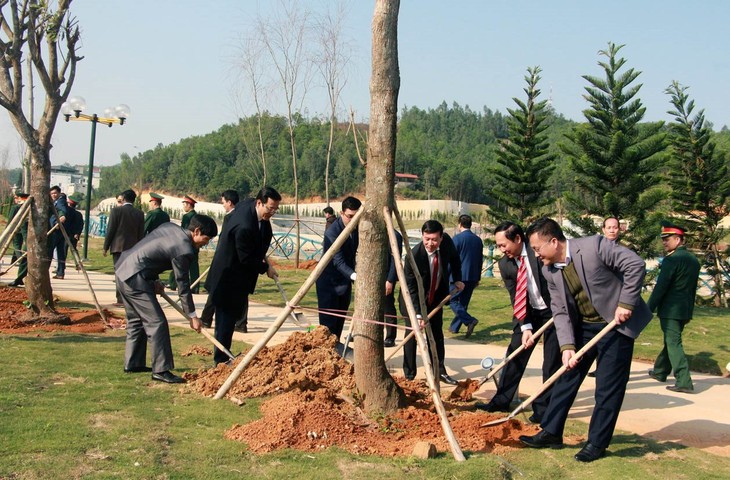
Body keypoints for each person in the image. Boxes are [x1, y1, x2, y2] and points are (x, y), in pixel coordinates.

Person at [518, 217, 652, 463]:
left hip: (616, 326)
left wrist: (626, 303)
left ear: (554, 242)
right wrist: (567, 347)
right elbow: (559, 310)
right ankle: (551, 431)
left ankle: (597, 443)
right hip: (585, 327)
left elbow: (635, 264)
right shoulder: (550, 271)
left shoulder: (595, 247)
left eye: (538, 249)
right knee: (567, 375)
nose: (536, 255)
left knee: (607, 387)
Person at [476, 222, 561, 424]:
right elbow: (516, 297)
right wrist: (525, 326)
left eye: (504, 245)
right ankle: (501, 400)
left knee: (551, 361)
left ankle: (542, 409)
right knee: (514, 354)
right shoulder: (505, 264)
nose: (501, 250)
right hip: (528, 312)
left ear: (517, 239)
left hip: (554, 311)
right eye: (498, 246)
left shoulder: (539, 253)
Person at [116, 215, 218, 383]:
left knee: (136, 320)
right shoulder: (184, 249)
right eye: (205, 239)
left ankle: (133, 363)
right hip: (135, 278)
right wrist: (192, 316)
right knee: (157, 323)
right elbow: (182, 284)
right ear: (196, 231)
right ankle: (161, 370)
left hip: (124, 269)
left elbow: (152, 251)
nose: (205, 243)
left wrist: (154, 279)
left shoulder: (169, 227)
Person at [205, 187, 281, 365]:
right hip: (228, 278)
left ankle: (225, 355)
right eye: (270, 208)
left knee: (230, 319)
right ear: (259, 203)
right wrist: (266, 268)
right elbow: (246, 258)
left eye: (275, 209)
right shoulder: (245, 226)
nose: (272, 212)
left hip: (237, 276)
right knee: (225, 320)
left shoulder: (250, 206)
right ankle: (221, 360)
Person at [400, 220, 464, 384]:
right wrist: (418, 314)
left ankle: (439, 371)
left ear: (441, 238)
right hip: (411, 300)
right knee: (413, 334)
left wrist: (457, 279)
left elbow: (455, 259)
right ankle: (409, 374)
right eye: (426, 239)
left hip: (435, 298)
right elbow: (411, 288)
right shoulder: (413, 256)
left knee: (436, 334)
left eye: (434, 239)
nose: (430, 243)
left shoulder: (447, 243)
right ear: (422, 236)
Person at [647, 222, 700, 394]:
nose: (664, 242)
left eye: (667, 239)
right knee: (670, 340)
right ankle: (660, 371)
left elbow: (661, 287)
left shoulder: (672, 260)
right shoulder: (693, 260)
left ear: (678, 239)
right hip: (684, 309)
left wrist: (649, 308)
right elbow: (692, 289)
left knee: (673, 342)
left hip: (671, 310)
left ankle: (684, 380)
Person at [316, 196, 361, 342]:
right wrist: (355, 276)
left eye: (357, 217)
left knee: (339, 324)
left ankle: (336, 351)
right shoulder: (332, 232)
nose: (353, 220)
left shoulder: (357, 229)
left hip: (345, 282)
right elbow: (338, 261)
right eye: (350, 217)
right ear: (341, 213)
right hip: (329, 284)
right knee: (328, 326)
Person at [200, 189, 240, 329]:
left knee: (216, 289)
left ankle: (206, 319)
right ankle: (240, 323)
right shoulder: (233, 215)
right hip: (227, 260)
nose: (222, 204)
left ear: (229, 202)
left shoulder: (233, 217)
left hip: (226, 260)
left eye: (223, 202)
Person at [103, 189, 145, 306]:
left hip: (118, 247)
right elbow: (140, 233)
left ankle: (121, 299)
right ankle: (131, 299)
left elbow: (110, 230)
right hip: (133, 248)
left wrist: (105, 247)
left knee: (119, 274)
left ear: (124, 198)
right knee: (131, 274)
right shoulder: (139, 213)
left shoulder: (116, 211)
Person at [448, 214, 483, 337]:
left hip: (459, 276)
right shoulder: (478, 240)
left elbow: (451, 259)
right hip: (472, 275)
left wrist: (447, 274)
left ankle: (470, 320)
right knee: (463, 303)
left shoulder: (457, 239)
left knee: (452, 300)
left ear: (459, 224)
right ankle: (454, 327)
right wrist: (478, 276)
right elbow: (480, 260)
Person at [169, 195, 199, 293]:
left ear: (189, 205)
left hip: (187, 244)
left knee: (179, 262)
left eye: (185, 204)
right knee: (194, 267)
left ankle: (173, 284)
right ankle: (195, 287)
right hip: (195, 244)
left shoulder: (187, 216)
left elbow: (184, 230)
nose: (184, 206)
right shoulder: (196, 216)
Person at [383, 229, 403, 348]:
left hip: (386, 277)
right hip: (373, 276)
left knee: (388, 306)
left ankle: (390, 337)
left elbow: (395, 259)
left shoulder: (394, 235)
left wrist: (390, 280)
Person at [8, 192, 29, 287]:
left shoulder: (15, 208)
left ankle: (20, 260)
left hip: (17, 230)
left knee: (17, 246)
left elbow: (11, 220)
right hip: (25, 231)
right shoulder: (29, 207)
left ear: (20, 198)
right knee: (20, 247)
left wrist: (8, 231)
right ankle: (19, 260)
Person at [48, 186, 68, 279]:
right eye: (52, 193)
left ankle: (57, 271)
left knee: (50, 250)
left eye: (55, 193)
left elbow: (62, 210)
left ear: (59, 193)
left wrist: (62, 216)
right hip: (57, 230)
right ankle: (60, 272)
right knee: (60, 252)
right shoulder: (52, 202)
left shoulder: (60, 201)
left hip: (57, 230)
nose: (53, 195)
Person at [63, 195, 84, 267]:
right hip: (74, 235)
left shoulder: (66, 212)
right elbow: (81, 225)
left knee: (64, 250)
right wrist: (77, 233)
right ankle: (78, 264)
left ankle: (62, 265)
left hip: (66, 234)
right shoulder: (79, 214)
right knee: (74, 249)